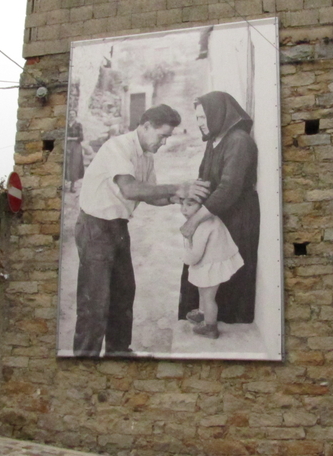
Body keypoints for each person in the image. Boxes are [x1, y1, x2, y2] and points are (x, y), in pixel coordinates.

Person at [72, 104, 209, 357]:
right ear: (146, 126)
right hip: (95, 227)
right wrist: (179, 186)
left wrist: (178, 198)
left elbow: (151, 195)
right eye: (162, 135)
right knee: (94, 303)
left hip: (118, 227)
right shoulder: (118, 147)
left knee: (124, 294)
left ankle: (118, 352)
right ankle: (83, 362)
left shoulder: (146, 155)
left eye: (167, 137)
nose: (164, 142)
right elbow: (131, 189)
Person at [178, 91, 260, 325]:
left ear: (218, 114)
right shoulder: (214, 141)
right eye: (197, 118)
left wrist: (194, 221)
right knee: (202, 264)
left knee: (221, 267)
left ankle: (221, 320)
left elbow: (229, 189)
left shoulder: (239, 142)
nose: (199, 123)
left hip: (236, 217)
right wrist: (191, 198)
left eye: (203, 117)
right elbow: (204, 177)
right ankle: (204, 313)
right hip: (215, 213)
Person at [179, 195, 244, 339]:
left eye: (189, 205)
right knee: (203, 291)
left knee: (208, 297)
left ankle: (210, 327)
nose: (183, 209)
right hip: (214, 262)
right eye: (182, 204)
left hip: (210, 266)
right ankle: (203, 313)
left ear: (203, 206)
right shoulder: (211, 218)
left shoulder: (202, 226)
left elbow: (195, 255)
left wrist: (188, 242)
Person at [64, 118, 85, 193]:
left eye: (73, 114)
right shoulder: (65, 124)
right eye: (70, 114)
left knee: (74, 165)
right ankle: (63, 185)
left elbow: (81, 137)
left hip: (76, 147)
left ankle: (72, 186)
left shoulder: (78, 125)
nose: (71, 116)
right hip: (66, 145)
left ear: (75, 115)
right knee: (65, 164)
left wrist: (70, 138)